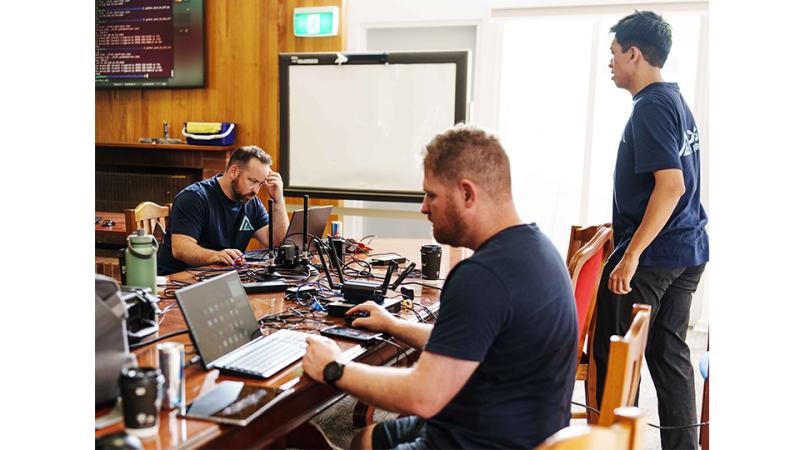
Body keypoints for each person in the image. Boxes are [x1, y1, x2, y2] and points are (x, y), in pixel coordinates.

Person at [302, 125, 577, 449]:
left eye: (431, 194)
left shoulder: (482, 277)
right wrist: (393, 324)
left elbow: (423, 396)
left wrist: (334, 368)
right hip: (513, 429)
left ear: (467, 194)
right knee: (365, 439)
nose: (423, 207)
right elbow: (468, 341)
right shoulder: (538, 248)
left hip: (480, 441)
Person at [592, 11, 709, 450]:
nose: (611, 63)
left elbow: (672, 185)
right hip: (687, 249)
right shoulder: (673, 100)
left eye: (614, 54)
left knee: (617, 355)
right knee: (669, 354)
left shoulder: (651, 107)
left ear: (634, 54)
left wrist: (631, 253)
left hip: (656, 258)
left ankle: (611, 444)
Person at [157, 145, 289, 275]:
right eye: (252, 181)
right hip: (178, 280)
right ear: (234, 171)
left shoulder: (251, 202)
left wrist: (278, 199)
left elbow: (276, 242)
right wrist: (215, 256)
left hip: (219, 277)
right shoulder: (194, 197)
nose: (256, 190)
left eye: (260, 184)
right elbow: (180, 248)